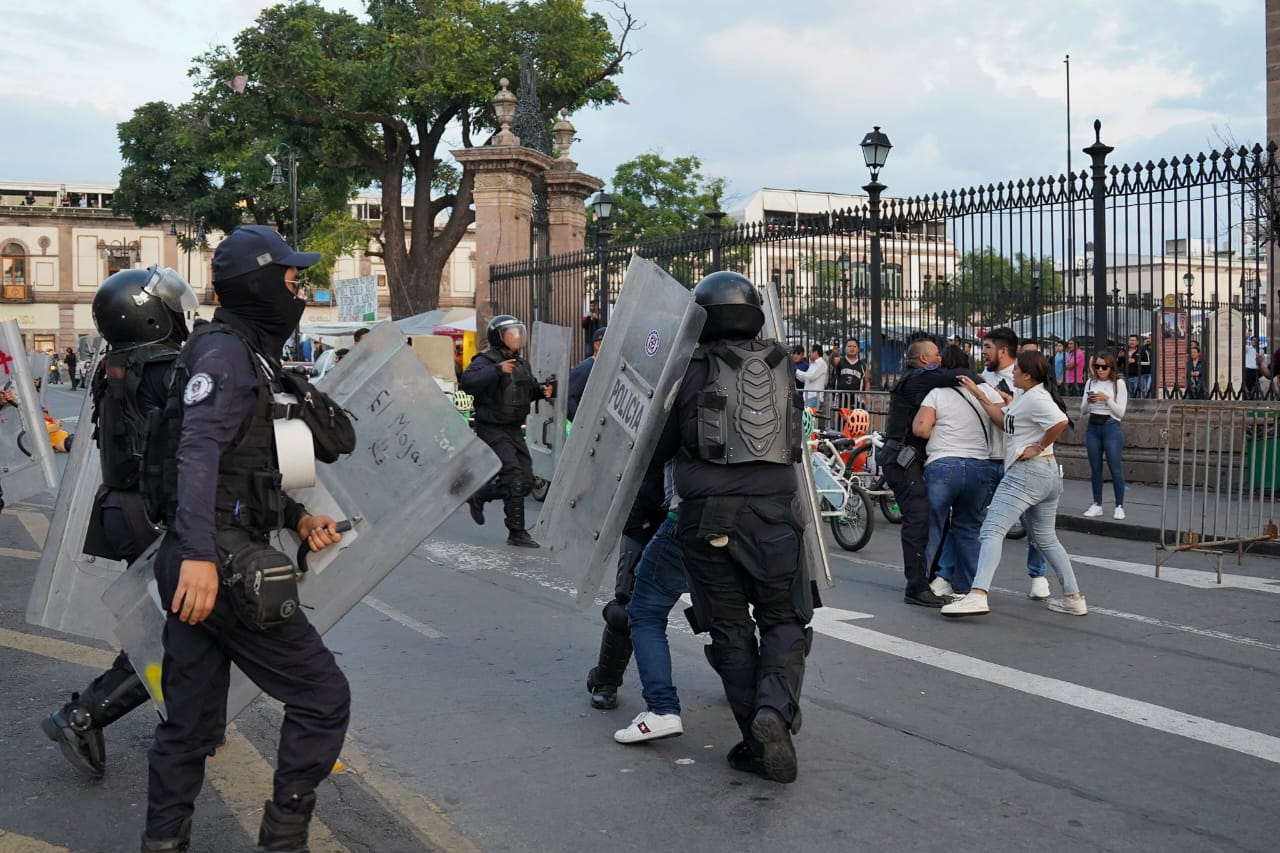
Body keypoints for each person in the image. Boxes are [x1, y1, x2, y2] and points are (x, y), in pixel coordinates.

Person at [141, 225, 351, 852]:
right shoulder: (226, 354)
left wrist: (295, 518)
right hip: (219, 562)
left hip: (206, 552)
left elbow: (241, 468)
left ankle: (162, 842)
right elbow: (198, 454)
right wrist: (202, 558)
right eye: (290, 278)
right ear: (260, 284)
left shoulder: (246, 352)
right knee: (321, 697)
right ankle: (283, 840)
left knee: (191, 723)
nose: (299, 289)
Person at [651, 271, 811, 783]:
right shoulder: (785, 363)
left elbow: (659, 447)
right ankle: (774, 710)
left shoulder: (688, 368)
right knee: (784, 619)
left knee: (730, 628)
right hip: (776, 511)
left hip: (707, 514)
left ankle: (757, 743)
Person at [40, 267, 196, 781]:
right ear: (148, 313)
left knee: (169, 625)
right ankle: (84, 715)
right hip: (150, 510)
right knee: (177, 632)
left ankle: (180, 714)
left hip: (125, 507)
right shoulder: (166, 367)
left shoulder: (117, 363)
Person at [943, 351, 1088, 618]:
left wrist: (1038, 446)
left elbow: (1060, 421)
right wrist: (979, 394)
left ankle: (977, 595)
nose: (1012, 373)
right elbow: (1003, 420)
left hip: (1027, 473)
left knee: (990, 531)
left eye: (1017, 370)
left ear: (1028, 375)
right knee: (1046, 538)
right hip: (1045, 475)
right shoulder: (1026, 395)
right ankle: (1073, 597)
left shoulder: (1037, 398)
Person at [878, 338, 980, 608]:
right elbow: (961, 374)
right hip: (903, 458)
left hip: (906, 457)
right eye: (937, 355)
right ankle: (916, 586)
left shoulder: (917, 379)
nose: (941, 359)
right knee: (918, 518)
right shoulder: (920, 378)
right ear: (924, 359)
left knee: (930, 517)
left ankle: (931, 578)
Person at [912, 345, 1002, 599]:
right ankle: (972, 588)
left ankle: (922, 584)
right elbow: (1004, 417)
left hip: (943, 464)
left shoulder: (937, 393)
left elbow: (921, 429)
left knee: (933, 527)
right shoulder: (984, 390)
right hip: (979, 466)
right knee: (969, 528)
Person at [461, 315, 554, 547]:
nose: (516, 337)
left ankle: (480, 494)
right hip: (491, 427)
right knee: (513, 474)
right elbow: (468, 382)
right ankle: (517, 532)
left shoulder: (521, 364)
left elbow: (527, 390)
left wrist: (543, 390)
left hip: (513, 429)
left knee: (526, 479)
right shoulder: (485, 360)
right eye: (511, 333)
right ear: (499, 337)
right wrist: (496, 370)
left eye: (517, 333)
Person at [972, 327, 1050, 601]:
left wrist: (1038, 447)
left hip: (1017, 460)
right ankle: (960, 578)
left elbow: (1052, 417)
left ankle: (1038, 574)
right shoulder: (979, 377)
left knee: (1034, 525)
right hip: (984, 455)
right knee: (973, 520)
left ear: (1003, 351)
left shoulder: (1024, 378)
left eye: (988, 347)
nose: (983, 352)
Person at [613, 463, 688, 744]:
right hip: (755, 517)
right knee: (729, 615)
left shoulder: (682, 417)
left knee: (642, 610)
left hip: (685, 513)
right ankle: (764, 704)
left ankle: (661, 708)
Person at [1081, 351, 1128, 520]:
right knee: (1095, 467)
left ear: (1111, 367)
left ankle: (1119, 505)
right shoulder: (1090, 383)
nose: (1100, 370)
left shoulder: (1118, 384)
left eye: (1104, 367)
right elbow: (1083, 410)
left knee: (1115, 466)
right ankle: (1097, 503)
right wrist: (1090, 401)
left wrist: (1107, 399)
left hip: (1111, 426)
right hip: (1093, 425)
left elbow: (1120, 412)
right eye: (1097, 366)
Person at [567, 326, 605, 421]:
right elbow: (569, 398)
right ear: (597, 345)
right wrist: (581, 423)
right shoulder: (585, 368)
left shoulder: (604, 368)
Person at [832, 339, 870, 408]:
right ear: (845, 348)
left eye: (854, 346)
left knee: (855, 419)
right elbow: (832, 362)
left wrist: (866, 399)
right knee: (839, 419)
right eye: (849, 346)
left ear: (858, 349)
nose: (852, 348)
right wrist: (834, 354)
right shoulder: (840, 360)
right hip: (840, 401)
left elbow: (867, 382)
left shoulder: (863, 365)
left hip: (856, 402)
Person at [795, 343, 828, 409]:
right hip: (809, 398)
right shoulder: (813, 364)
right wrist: (795, 373)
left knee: (810, 419)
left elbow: (810, 376)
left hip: (814, 397)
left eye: (810, 352)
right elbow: (805, 379)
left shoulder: (821, 363)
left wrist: (796, 371)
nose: (808, 354)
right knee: (807, 419)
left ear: (816, 352)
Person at [1123, 335, 1151, 399]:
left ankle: (1139, 408)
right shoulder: (1125, 350)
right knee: (1128, 396)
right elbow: (1119, 364)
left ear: (1137, 342)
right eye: (1130, 340)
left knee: (1138, 395)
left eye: (1133, 340)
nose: (1131, 342)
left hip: (1138, 377)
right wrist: (1119, 357)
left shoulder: (1142, 351)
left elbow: (1148, 363)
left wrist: (1136, 361)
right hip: (1127, 377)